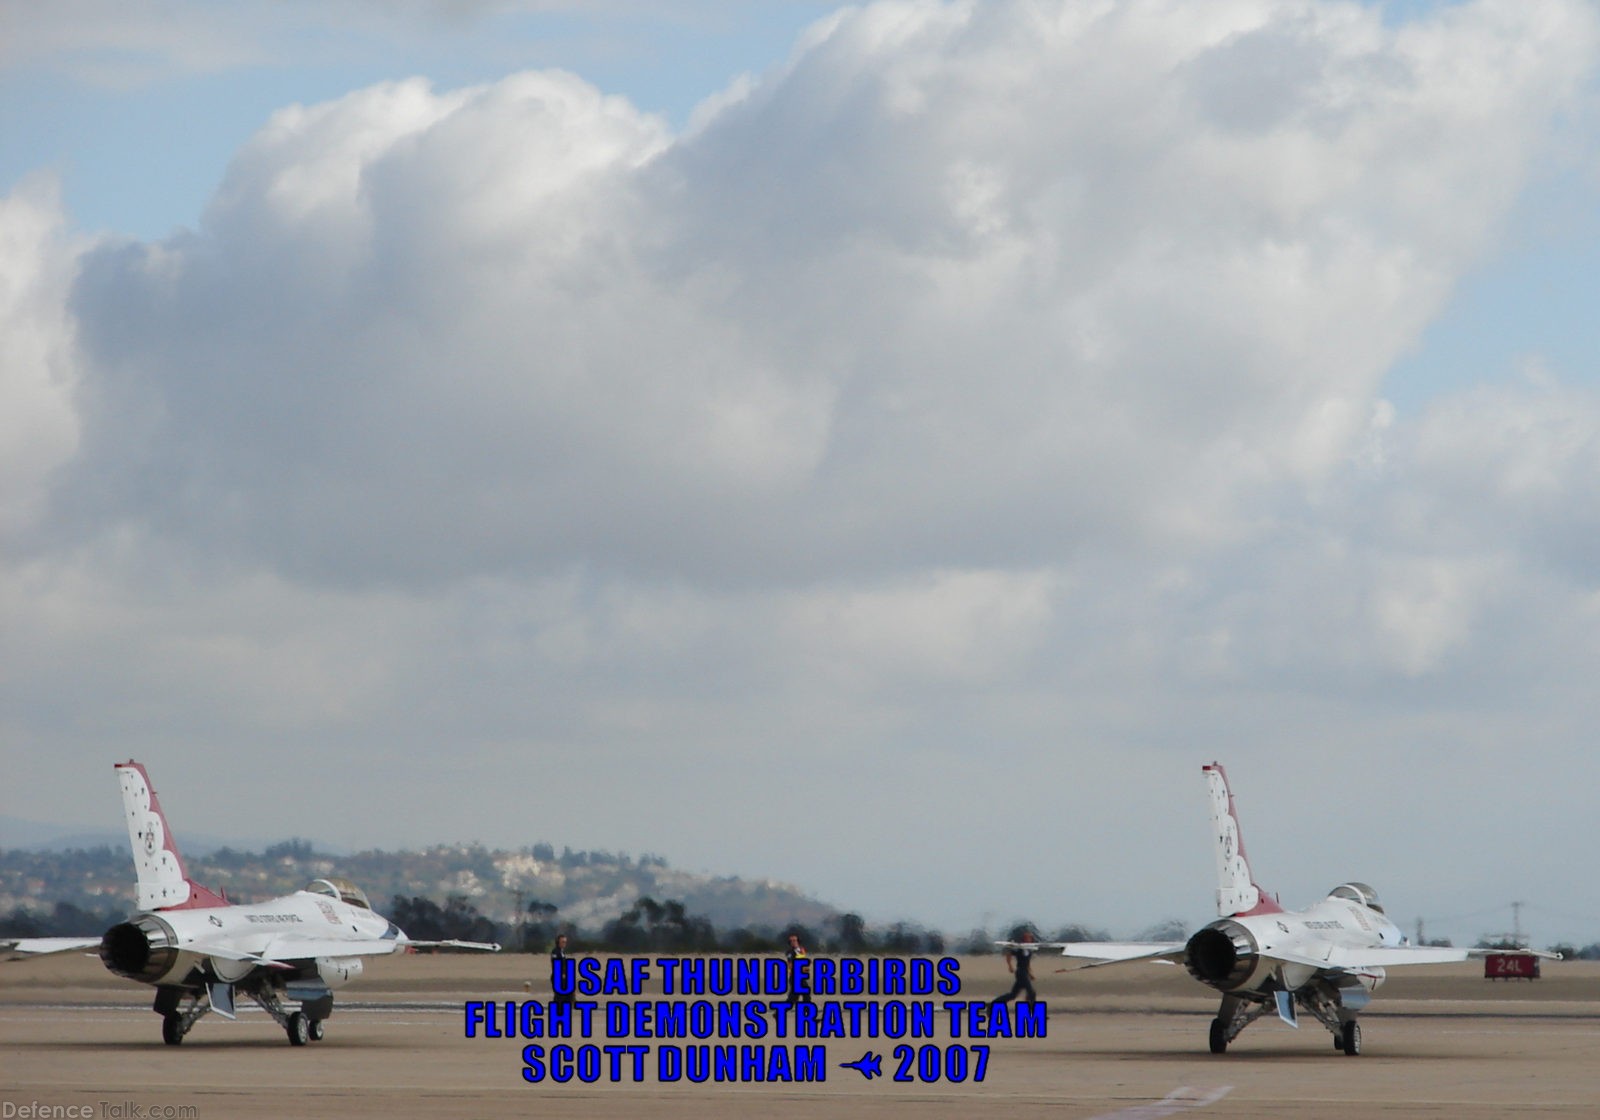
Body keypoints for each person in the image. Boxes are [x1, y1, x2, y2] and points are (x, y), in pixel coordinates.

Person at [992, 929, 1037, 1006]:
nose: (1029, 940)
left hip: (1025, 973)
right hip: (1020, 973)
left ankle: (994, 1003)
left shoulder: (1029, 950)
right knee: (1031, 992)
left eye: (1030, 938)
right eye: (1027, 938)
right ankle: (1034, 1012)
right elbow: (1009, 953)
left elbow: (1027, 963)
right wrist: (1010, 966)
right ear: (1023, 939)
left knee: (1013, 995)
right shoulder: (1019, 948)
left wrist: (1030, 974)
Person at [785, 932, 813, 1004]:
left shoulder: (801, 950)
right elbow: (791, 963)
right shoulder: (790, 952)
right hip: (795, 976)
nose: (792, 942)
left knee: (804, 993)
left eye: (794, 940)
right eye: (791, 941)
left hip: (801, 975)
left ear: (798, 941)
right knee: (794, 996)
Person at [551, 932, 573, 1003]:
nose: (564, 943)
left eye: (565, 942)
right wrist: (562, 974)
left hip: (564, 977)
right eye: (563, 942)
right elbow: (555, 964)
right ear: (558, 942)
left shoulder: (562, 952)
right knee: (559, 997)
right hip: (558, 976)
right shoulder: (555, 951)